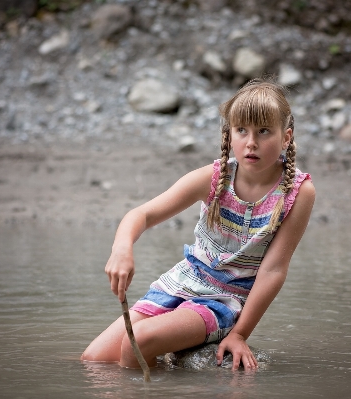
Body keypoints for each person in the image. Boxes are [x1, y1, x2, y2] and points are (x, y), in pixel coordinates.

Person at [81, 78, 315, 371]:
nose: (251, 142)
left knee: (136, 343)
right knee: (94, 361)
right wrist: (121, 248)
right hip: (182, 282)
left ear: (286, 137)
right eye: (241, 130)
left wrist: (241, 334)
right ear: (230, 135)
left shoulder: (297, 192)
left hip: (227, 298)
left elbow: (273, 269)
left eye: (264, 131)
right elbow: (142, 215)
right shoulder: (214, 177)